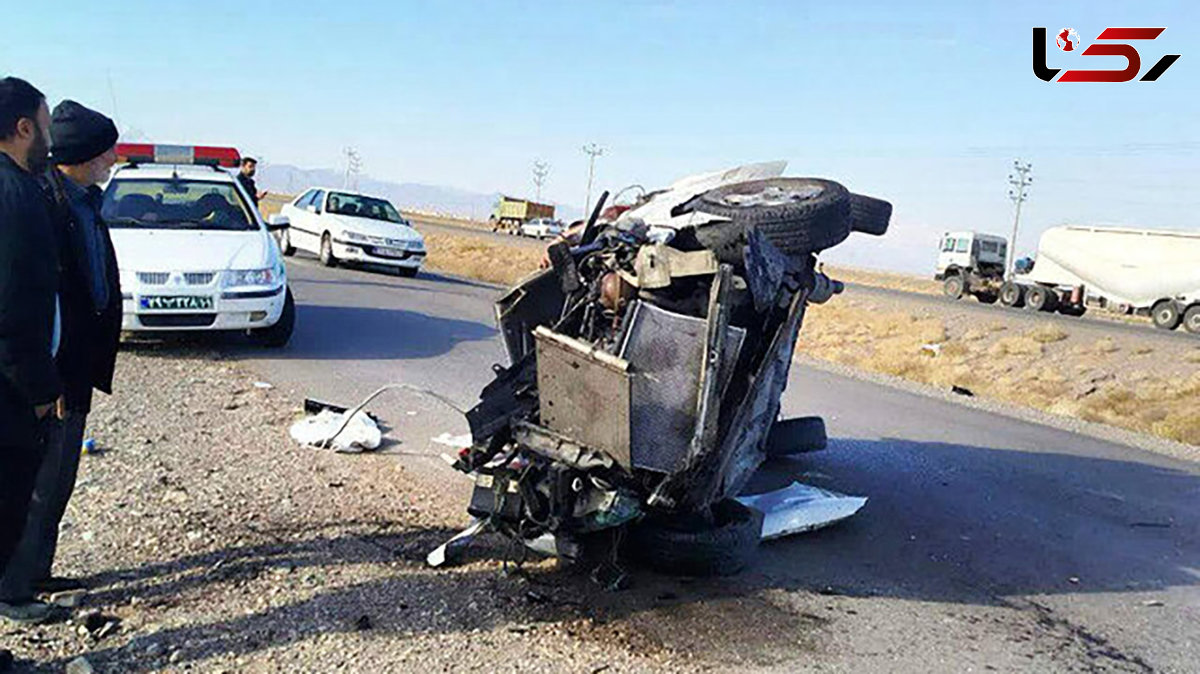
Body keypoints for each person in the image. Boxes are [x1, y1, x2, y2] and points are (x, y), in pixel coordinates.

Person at [0, 101, 121, 616]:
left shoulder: (83, 202)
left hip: (73, 368)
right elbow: (30, 300)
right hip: (50, 370)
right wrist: (44, 381)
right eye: (107, 150)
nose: (113, 159)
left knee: (58, 480)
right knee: (36, 484)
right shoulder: (43, 204)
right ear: (83, 155)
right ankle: (14, 589)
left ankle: (36, 570)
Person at [0, 76, 63, 626]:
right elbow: (14, 310)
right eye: (45, 126)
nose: (50, 139)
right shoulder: (15, 197)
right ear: (24, 128)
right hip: (10, 395)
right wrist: (40, 392)